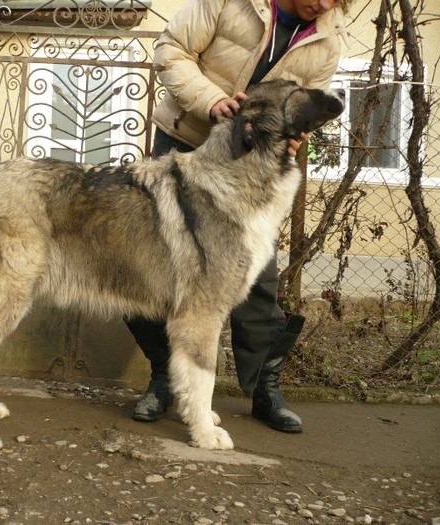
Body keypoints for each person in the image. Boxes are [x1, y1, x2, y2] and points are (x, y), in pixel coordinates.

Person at [126, 0, 350, 432]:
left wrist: (295, 136)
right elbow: (171, 50)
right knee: (148, 267)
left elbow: (309, 109)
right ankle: (164, 381)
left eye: (335, 0)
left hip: (254, 166)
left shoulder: (327, 38)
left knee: (258, 281)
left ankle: (265, 387)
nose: (323, 6)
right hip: (191, 138)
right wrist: (213, 102)